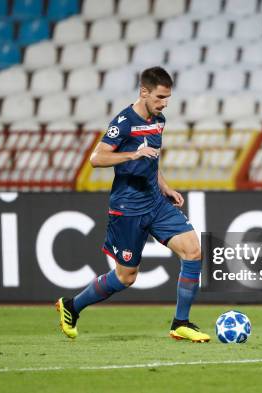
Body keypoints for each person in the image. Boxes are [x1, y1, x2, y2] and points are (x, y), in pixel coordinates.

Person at [56, 66, 210, 343]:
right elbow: (96, 158)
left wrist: (165, 187)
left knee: (193, 251)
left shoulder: (159, 120)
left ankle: (181, 323)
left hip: (155, 202)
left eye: (167, 98)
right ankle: (72, 306)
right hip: (127, 208)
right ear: (143, 92)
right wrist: (131, 155)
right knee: (126, 277)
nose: (164, 104)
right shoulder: (123, 122)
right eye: (160, 97)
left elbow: (151, 158)